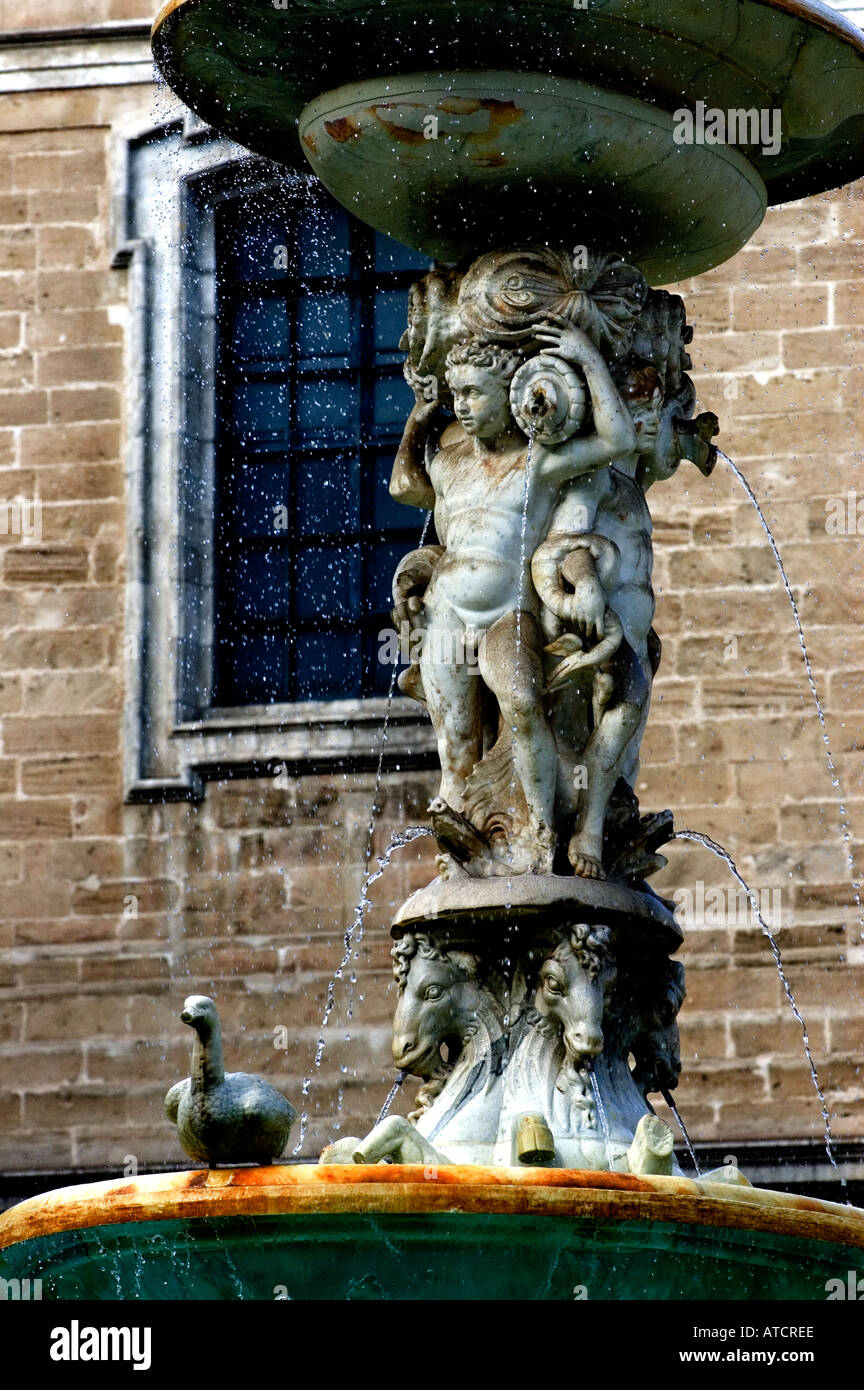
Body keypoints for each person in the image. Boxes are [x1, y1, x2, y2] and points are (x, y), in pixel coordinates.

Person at [407, 319, 635, 874]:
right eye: (456, 394)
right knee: (455, 750)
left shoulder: (538, 463)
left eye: (473, 395)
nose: (461, 407)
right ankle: (460, 858)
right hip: (446, 618)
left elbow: (618, 441)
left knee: (526, 706)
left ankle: (538, 830)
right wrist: (419, 417)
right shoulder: (450, 462)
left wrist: (589, 359)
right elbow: (404, 486)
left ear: (509, 397)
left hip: (508, 615)